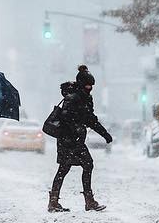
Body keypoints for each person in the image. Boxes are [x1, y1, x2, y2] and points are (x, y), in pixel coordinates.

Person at [45, 67, 111, 212]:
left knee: (70, 167)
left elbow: (90, 119)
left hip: (75, 139)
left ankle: (56, 201)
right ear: (81, 84)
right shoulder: (73, 97)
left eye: (92, 86)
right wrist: (77, 128)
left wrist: (104, 134)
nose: (90, 88)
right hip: (68, 139)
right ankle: (86, 201)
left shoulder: (85, 97)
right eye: (88, 85)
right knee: (80, 165)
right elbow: (69, 118)